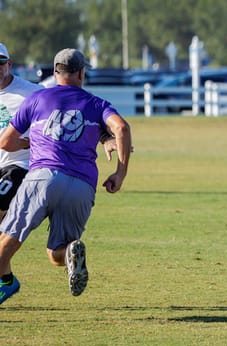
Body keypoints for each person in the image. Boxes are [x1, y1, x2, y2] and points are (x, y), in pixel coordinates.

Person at [0, 49, 132, 305]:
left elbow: (6, 141)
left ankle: (7, 282)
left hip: (42, 178)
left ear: (55, 71)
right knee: (56, 252)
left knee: (5, 243)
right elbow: (121, 128)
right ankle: (70, 251)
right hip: (82, 186)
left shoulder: (38, 98)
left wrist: (29, 143)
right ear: (82, 72)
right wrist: (120, 172)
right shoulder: (96, 104)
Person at [0, 43, 41, 221]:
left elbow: (67, 112)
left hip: (20, 165)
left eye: (0, 63)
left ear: (9, 64)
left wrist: (105, 136)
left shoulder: (32, 93)